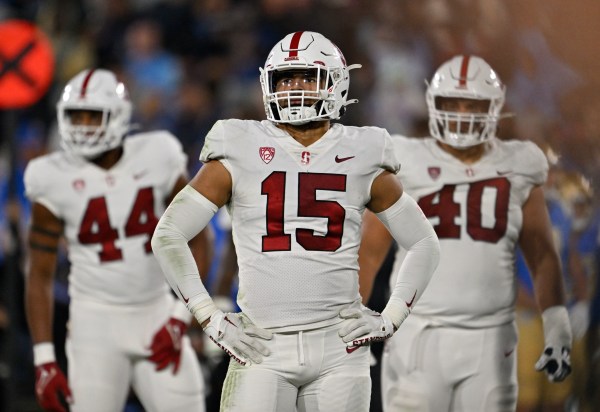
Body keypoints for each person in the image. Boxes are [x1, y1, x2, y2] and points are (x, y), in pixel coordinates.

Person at [151, 31, 440, 412]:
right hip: (262, 345)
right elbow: (169, 235)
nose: (295, 87)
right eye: (285, 78)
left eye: (306, 76)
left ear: (336, 82)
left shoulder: (363, 150)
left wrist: (391, 318)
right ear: (268, 84)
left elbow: (423, 243)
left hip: (340, 348)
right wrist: (211, 318)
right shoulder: (239, 144)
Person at [358, 55, 573, 412]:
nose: (460, 112)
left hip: (492, 337)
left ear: (495, 107)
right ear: (433, 104)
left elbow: (540, 250)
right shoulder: (403, 159)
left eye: (471, 104)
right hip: (418, 332)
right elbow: (369, 250)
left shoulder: (520, 163)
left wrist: (557, 323)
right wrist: (350, 323)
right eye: (451, 103)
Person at [24, 68, 210, 412]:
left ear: (119, 115)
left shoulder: (158, 153)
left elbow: (198, 237)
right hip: (94, 325)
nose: (82, 125)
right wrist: (44, 359)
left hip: (156, 310)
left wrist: (179, 316)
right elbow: (39, 274)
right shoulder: (50, 176)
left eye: (92, 115)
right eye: (74, 116)